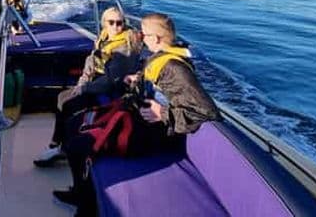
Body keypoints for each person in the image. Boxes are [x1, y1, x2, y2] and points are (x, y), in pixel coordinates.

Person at [54, 12, 221, 215]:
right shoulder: (160, 58)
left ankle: (87, 208)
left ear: (157, 38)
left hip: (153, 133)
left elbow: (207, 110)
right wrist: (137, 79)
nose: (140, 38)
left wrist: (163, 113)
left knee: (77, 147)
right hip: (137, 116)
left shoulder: (174, 68)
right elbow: (158, 85)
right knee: (73, 124)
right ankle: (80, 192)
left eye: (144, 35)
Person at [34, 7, 141, 167]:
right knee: (62, 97)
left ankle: (64, 147)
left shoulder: (123, 49)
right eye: (111, 23)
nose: (116, 27)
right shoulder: (104, 38)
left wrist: (84, 89)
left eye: (120, 23)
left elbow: (111, 81)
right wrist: (82, 83)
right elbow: (90, 64)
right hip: (97, 83)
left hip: (112, 91)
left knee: (69, 104)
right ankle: (58, 143)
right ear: (104, 23)